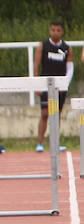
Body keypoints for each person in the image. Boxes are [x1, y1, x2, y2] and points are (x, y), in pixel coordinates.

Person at [35, 20, 73, 152]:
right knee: (45, 113)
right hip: (46, 84)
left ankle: (55, 143)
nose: (55, 32)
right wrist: (37, 85)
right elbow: (36, 65)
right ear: (50, 31)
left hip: (60, 87)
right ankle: (40, 143)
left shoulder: (67, 48)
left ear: (62, 32)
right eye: (53, 30)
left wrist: (65, 84)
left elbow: (70, 68)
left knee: (56, 115)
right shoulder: (43, 46)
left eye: (58, 30)